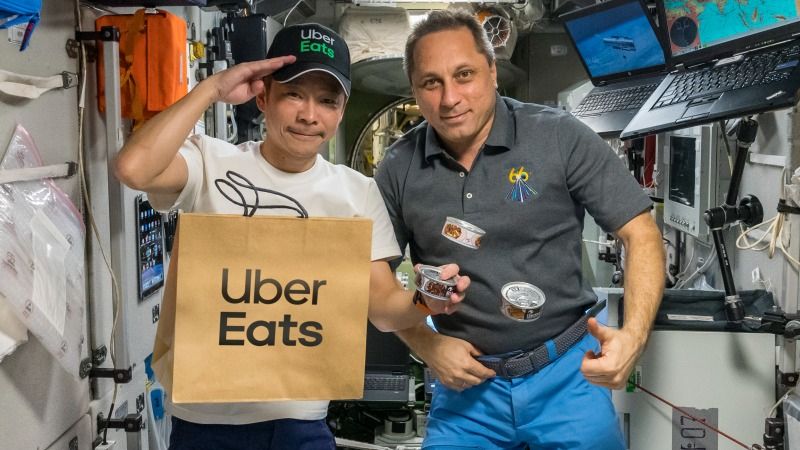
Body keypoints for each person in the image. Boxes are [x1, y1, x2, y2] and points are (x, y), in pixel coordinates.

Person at [114, 23, 468, 450]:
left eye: (327, 101)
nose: (309, 115)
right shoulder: (210, 162)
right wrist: (211, 89)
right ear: (262, 97)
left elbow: (381, 308)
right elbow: (133, 169)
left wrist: (426, 300)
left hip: (301, 422)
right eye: (294, 94)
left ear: (340, 112)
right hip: (204, 420)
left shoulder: (356, 193)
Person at [374, 10, 665, 450]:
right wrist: (427, 345)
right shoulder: (397, 168)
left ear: (492, 72)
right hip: (467, 391)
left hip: (566, 376)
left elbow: (641, 234)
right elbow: (374, 289)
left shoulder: (558, 137)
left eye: (464, 74)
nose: (450, 97)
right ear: (414, 90)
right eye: (431, 83)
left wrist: (634, 337)